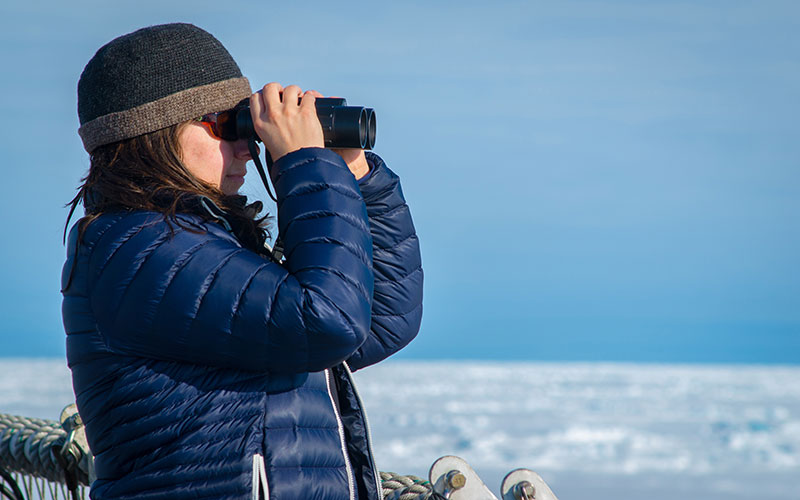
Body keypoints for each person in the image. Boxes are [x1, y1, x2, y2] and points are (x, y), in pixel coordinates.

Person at [61, 23, 423, 500]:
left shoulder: (204, 242)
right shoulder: (136, 248)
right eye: (221, 124)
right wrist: (306, 163)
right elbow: (328, 320)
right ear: (151, 135)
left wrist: (353, 174)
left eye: (243, 125)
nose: (247, 149)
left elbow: (380, 320)